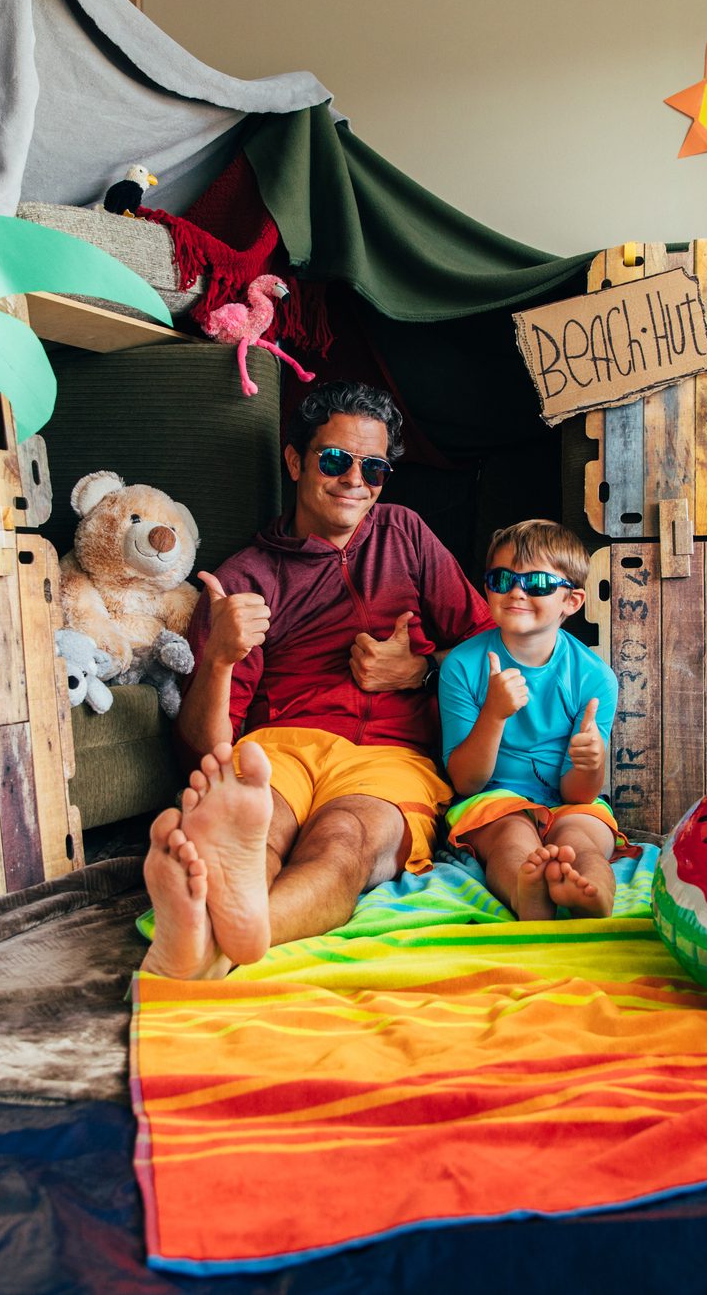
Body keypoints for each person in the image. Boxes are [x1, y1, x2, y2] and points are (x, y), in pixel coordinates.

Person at [140, 382, 491, 980]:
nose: (355, 480)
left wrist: (423, 670)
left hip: (391, 757)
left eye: (374, 468)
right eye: (334, 460)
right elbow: (201, 751)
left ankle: (213, 944)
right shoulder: (243, 579)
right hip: (279, 748)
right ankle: (223, 916)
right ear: (296, 460)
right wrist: (220, 659)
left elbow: (494, 651)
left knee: (343, 844)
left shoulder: (405, 534)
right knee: (260, 834)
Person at [436, 519, 621, 920]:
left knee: (582, 841)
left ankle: (594, 893)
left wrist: (591, 763)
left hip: (568, 802)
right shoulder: (462, 666)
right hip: (492, 800)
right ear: (487, 588)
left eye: (537, 583)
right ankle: (527, 895)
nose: (516, 591)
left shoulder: (595, 678)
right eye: (502, 579)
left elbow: (578, 794)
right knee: (510, 838)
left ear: (572, 601)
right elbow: (467, 782)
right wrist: (494, 714)